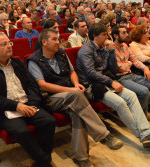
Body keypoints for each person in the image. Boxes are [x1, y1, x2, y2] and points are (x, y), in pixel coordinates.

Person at [28, 29, 124, 166]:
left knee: (78, 114)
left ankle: (82, 158)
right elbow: (42, 85)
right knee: (76, 95)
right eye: (54, 39)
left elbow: (72, 72)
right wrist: (71, 89)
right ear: (44, 42)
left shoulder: (61, 53)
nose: (58, 42)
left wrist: (76, 83)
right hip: (50, 98)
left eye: (58, 39)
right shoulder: (34, 60)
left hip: (71, 95)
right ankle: (104, 135)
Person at [76, 23, 150, 153]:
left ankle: (147, 133)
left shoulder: (103, 49)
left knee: (131, 96)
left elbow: (113, 69)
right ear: (95, 36)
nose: (107, 38)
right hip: (92, 86)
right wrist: (111, 81)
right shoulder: (86, 50)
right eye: (104, 35)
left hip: (105, 81)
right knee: (121, 103)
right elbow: (90, 73)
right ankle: (145, 136)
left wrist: (110, 52)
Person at [0, 32, 55, 167]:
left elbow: (32, 84)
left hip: (28, 104)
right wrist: (16, 106)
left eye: (9, 43)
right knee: (22, 131)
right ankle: (44, 161)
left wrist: (31, 104)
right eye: (4, 44)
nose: (9, 46)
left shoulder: (17, 62)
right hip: (6, 111)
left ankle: (41, 157)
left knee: (49, 121)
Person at [111, 25, 150, 119]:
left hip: (131, 74)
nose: (127, 34)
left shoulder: (125, 46)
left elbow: (134, 60)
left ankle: (133, 110)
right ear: (115, 36)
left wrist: (145, 68)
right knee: (144, 91)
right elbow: (120, 68)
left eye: (126, 32)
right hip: (120, 78)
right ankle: (142, 114)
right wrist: (130, 63)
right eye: (123, 33)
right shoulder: (111, 49)